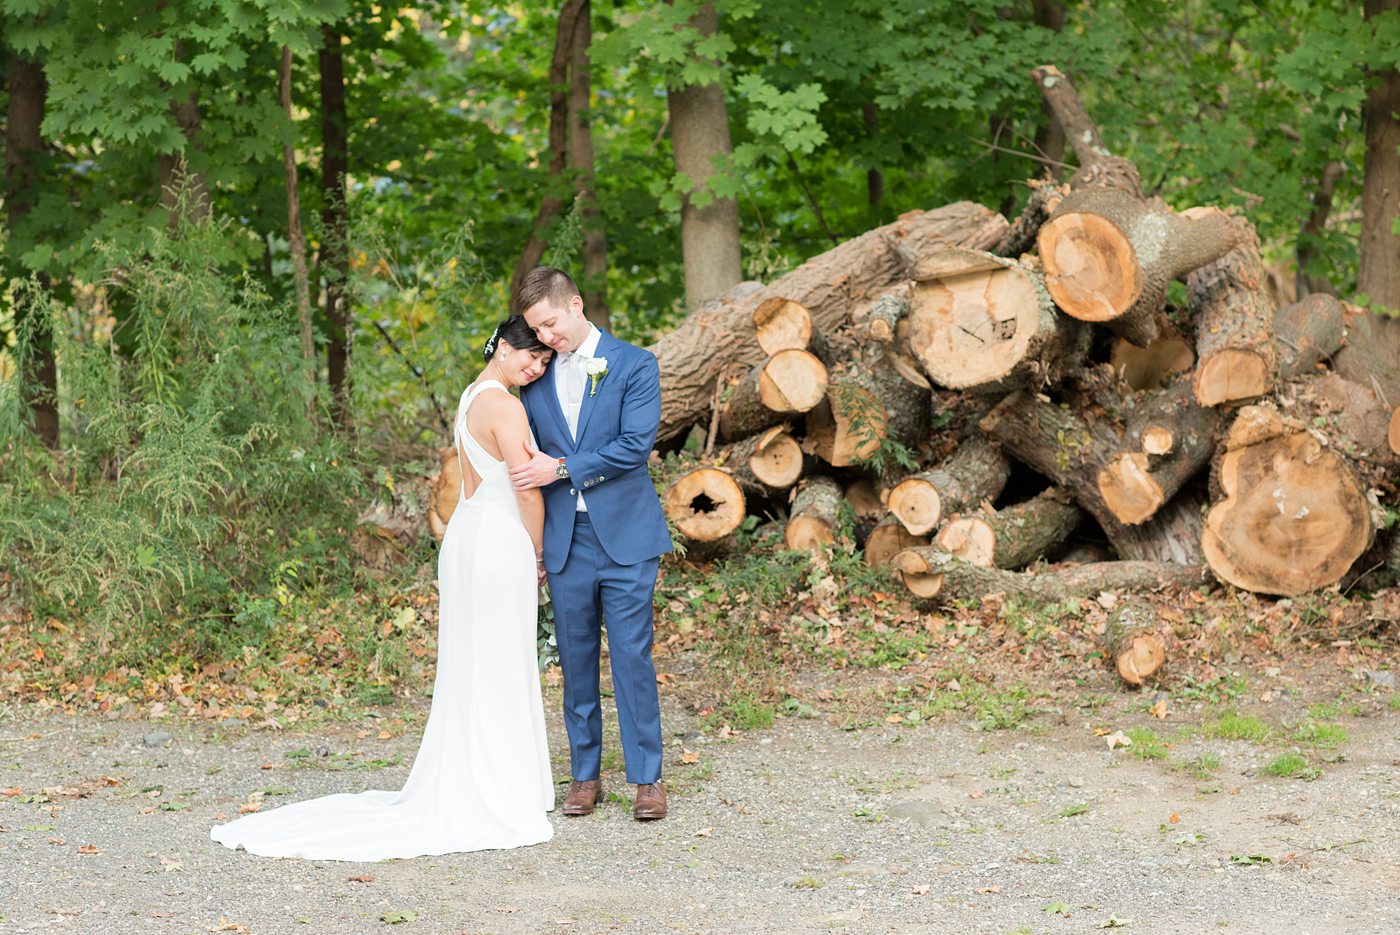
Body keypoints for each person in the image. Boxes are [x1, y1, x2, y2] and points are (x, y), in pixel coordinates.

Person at [209, 316, 556, 860]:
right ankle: (500, 788)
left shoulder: (473, 395)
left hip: (466, 535)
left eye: (544, 361)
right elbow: (526, 489)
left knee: (472, 659)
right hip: (497, 540)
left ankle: (482, 777)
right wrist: (538, 551)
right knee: (499, 659)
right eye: (531, 355)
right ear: (505, 346)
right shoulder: (507, 407)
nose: (536, 367)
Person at [510, 267, 673, 821]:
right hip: (565, 540)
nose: (548, 339)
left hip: (627, 537)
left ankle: (647, 779)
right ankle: (585, 777)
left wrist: (561, 467)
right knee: (576, 661)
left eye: (552, 325)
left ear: (576, 305)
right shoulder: (535, 379)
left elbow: (633, 447)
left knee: (632, 658)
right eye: (538, 331)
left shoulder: (634, 364)